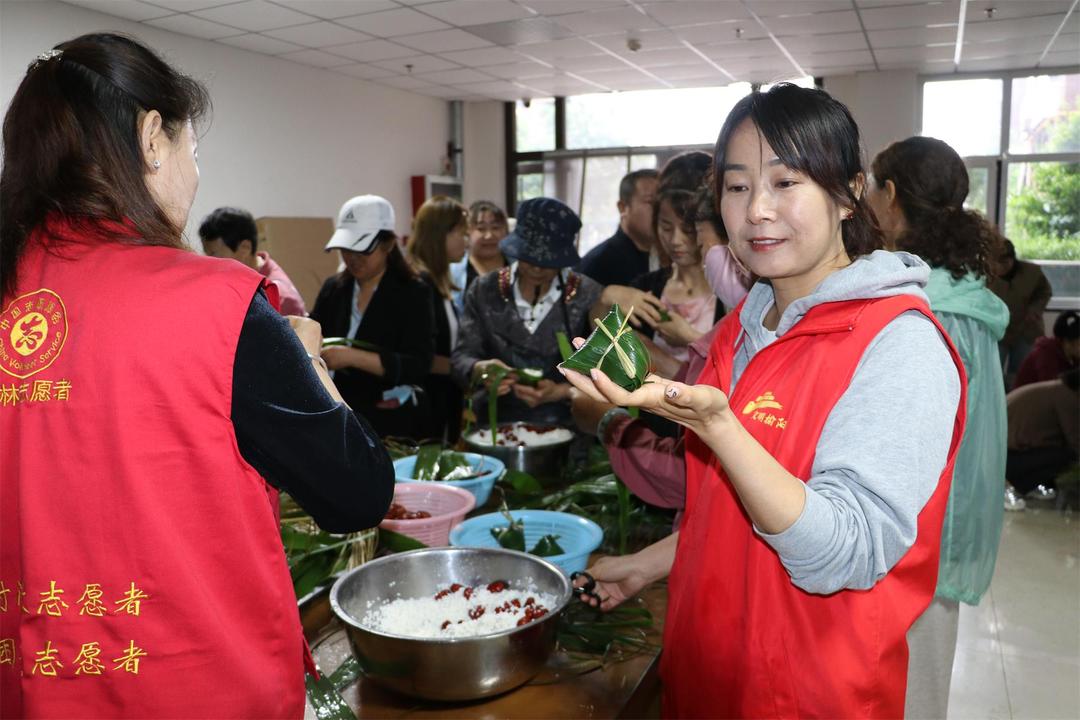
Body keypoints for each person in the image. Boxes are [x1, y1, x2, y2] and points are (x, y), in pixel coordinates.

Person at [0, 34, 394, 717]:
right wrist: (307, 361)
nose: (195, 172)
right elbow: (357, 494)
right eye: (193, 148)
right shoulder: (217, 304)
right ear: (153, 138)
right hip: (199, 689)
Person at [560, 84, 966, 719]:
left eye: (786, 182)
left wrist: (721, 428)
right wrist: (653, 563)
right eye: (738, 186)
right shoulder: (743, 329)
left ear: (850, 191)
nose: (757, 212)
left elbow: (843, 554)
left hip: (804, 696)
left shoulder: (898, 345)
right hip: (706, 673)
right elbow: (728, 512)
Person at [867, 134, 1009, 719]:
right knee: (921, 673)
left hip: (923, 522)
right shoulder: (963, 293)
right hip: (948, 515)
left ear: (891, 196)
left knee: (907, 682)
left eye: (874, 189)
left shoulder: (922, 303)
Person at [452, 197, 602, 429]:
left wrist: (563, 391)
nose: (537, 267)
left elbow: (610, 371)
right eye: (529, 257)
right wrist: (480, 370)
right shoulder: (484, 290)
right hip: (495, 426)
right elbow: (461, 357)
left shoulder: (587, 295)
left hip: (567, 429)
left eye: (548, 261)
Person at [311, 195, 435, 439]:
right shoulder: (334, 288)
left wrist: (353, 358)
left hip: (390, 421)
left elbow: (418, 364)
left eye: (362, 250)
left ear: (388, 244)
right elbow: (315, 331)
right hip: (339, 412)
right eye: (347, 250)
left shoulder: (414, 291)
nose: (353, 259)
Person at [407, 195, 467, 442]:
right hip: (427, 401)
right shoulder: (419, 284)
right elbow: (421, 357)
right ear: (441, 234)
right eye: (462, 234)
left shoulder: (440, 282)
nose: (467, 242)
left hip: (445, 397)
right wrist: (470, 369)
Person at [199, 206, 307, 316]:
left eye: (213, 254)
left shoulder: (277, 297)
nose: (210, 263)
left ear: (245, 248)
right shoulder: (246, 278)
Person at [577, 169, 659, 286]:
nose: (659, 210)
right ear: (623, 207)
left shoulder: (668, 257)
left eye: (661, 202)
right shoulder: (598, 263)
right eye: (651, 202)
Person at [1006, 368, 1079, 496]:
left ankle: (1033, 485)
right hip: (1009, 457)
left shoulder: (1056, 389)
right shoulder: (1066, 397)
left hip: (1003, 453)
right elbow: (1076, 442)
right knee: (1068, 455)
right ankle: (1025, 486)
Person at [989, 239, 1053, 386]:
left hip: (1026, 331)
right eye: (996, 263)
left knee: (1022, 373)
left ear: (1012, 259)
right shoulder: (987, 275)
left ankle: (1017, 403)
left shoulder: (1033, 272)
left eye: (1005, 262)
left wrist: (1035, 310)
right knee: (993, 372)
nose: (1001, 267)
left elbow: (1044, 292)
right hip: (998, 331)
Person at [449, 199, 508, 310]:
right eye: (481, 229)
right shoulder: (452, 272)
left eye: (496, 228)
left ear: (505, 231)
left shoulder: (520, 267)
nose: (489, 236)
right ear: (467, 232)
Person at [1014, 310, 1079, 389]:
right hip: (1027, 399)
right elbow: (1050, 388)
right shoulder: (1046, 353)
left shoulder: (1073, 356)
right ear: (1067, 343)